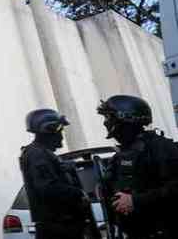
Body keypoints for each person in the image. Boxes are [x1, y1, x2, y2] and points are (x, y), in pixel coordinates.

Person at [97, 95, 178, 238]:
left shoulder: (161, 148)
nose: (106, 123)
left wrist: (136, 200)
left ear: (125, 118)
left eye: (109, 118)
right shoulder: (119, 157)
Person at [19, 109, 91, 239]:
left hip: (62, 226)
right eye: (59, 132)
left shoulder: (42, 153)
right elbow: (47, 187)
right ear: (49, 131)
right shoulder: (37, 154)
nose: (62, 137)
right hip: (57, 228)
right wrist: (78, 193)